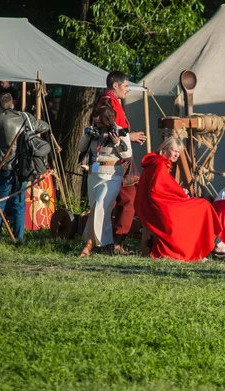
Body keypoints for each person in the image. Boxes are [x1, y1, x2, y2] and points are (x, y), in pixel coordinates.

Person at [135, 136, 225, 261]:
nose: (177, 155)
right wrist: (180, 193)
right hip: (159, 208)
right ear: (165, 149)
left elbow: (163, 187)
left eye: (179, 152)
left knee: (199, 208)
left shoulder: (157, 163)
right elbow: (157, 190)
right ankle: (214, 246)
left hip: (158, 205)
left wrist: (178, 191)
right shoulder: (160, 165)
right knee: (203, 207)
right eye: (174, 151)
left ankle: (210, 247)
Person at [0, 93, 50, 243]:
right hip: (24, 165)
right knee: (19, 202)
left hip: (5, 165)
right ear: (12, 104)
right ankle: (19, 237)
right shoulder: (25, 116)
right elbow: (44, 126)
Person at [97, 71, 147, 254]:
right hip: (112, 159)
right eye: (126, 86)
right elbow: (107, 132)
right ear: (115, 86)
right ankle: (113, 242)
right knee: (125, 199)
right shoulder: (107, 103)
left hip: (118, 158)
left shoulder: (112, 101)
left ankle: (115, 241)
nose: (127, 90)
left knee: (126, 199)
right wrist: (129, 136)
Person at [78, 105, 132, 257]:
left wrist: (116, 143)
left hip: (111, 176)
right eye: (95, 122)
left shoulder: (120, 131)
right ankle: (108, 245)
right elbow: (81, 148)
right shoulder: (94, 132)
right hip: (94, 174)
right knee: (103, 212)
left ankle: (88, 244)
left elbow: (127, 155)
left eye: (100, 122)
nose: (98, 125)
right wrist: (87, 135)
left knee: (99, 206)